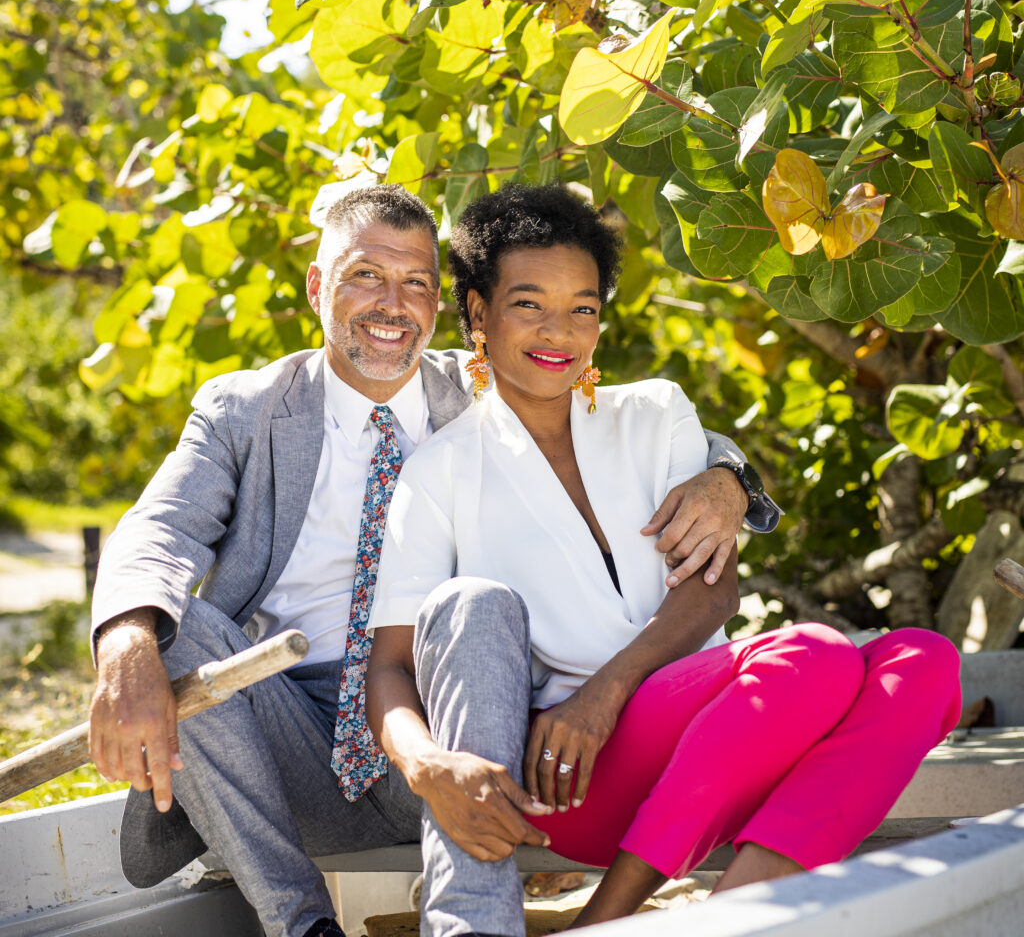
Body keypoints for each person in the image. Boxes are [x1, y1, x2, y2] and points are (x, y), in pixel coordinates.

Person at [87, 184, 774, 937]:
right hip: (284, 750)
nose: (392, 304)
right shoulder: (246, 412)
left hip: (455, 711)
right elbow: (159, 528)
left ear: (446, 306)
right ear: (318, 286)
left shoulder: (484, 386)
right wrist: (125, 645)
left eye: (415, 282)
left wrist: (728, 479)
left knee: (473, 602)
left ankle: (471, 926)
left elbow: (620, 423)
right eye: (365, 277)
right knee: (175, 630)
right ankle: (302, 923)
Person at [366, 183, 963, 937]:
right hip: (575, 777)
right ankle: (614, 919)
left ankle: (726, 917)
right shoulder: (441, 470)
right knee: (816, 655)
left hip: (723, 737)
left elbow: (711, 596)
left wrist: (607, 692)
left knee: (928, 658)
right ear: (479, 312)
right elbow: (389, 668)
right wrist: (426, 764)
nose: (561, 330)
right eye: (528, 304)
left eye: (583, 307)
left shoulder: (655, 414)